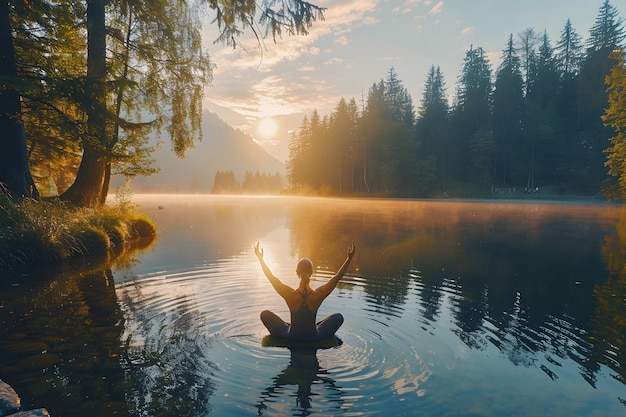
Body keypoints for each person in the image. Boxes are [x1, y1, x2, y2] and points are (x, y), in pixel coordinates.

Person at [254, 241, 356, 342]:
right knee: (338, 317)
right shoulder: (317, 295)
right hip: (314, 338)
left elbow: (271, 278)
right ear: (312, 273)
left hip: (291, 337)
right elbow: (337, 278)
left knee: (265, 314)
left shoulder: (290, 295)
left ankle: (290, 325)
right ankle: (309, 326)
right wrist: (349, 258)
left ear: (297, 273)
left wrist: (260, 259)